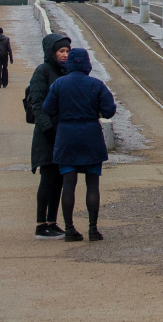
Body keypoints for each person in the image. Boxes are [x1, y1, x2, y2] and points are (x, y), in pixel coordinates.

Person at [42, 47, 116, 242]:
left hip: (66, 136)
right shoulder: (96, 84)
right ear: (87, 63)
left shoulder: (59, 84)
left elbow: (48, 108)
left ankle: (69, 229)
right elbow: (109, 110)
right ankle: (93, 229)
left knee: (68, 184)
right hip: (91, 136)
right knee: (92, 184)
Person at [26, 33, 71, 238]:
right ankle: (40, 224)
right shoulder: (42, 71)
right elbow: (37, 104)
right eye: (61, 51)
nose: (64, 55)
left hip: (62, 134)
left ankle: (52, 222)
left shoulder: (67, 72)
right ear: (51, 52)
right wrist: (48, 129)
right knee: (48, 178)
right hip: (46, 135)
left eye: (67, 51)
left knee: (60, 179)